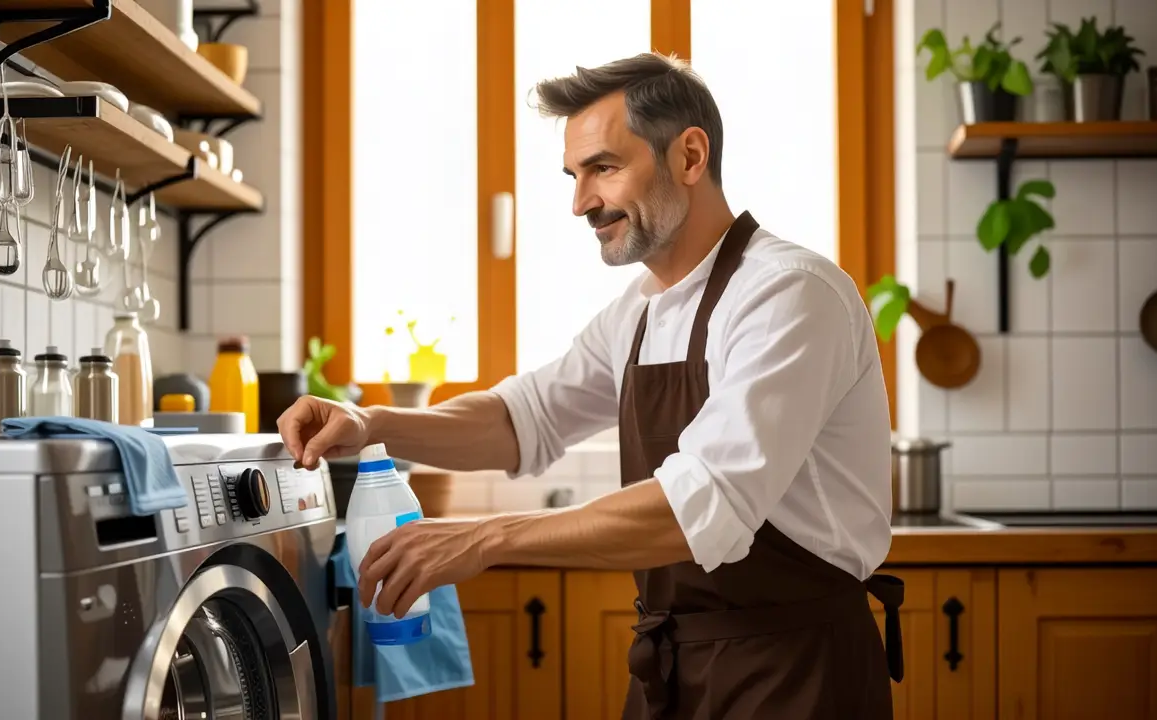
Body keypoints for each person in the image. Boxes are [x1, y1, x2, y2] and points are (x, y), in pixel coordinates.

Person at [279, 52, 904, 719]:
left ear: (690, 157)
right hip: (674, 674)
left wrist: (483, 538)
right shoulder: (638, 311)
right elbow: (522, 419)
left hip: (795, 673)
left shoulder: (787, 294)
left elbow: (696, 506)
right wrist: (373, 424)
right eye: (574, 176)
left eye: (603, 168)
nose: (581, 203)